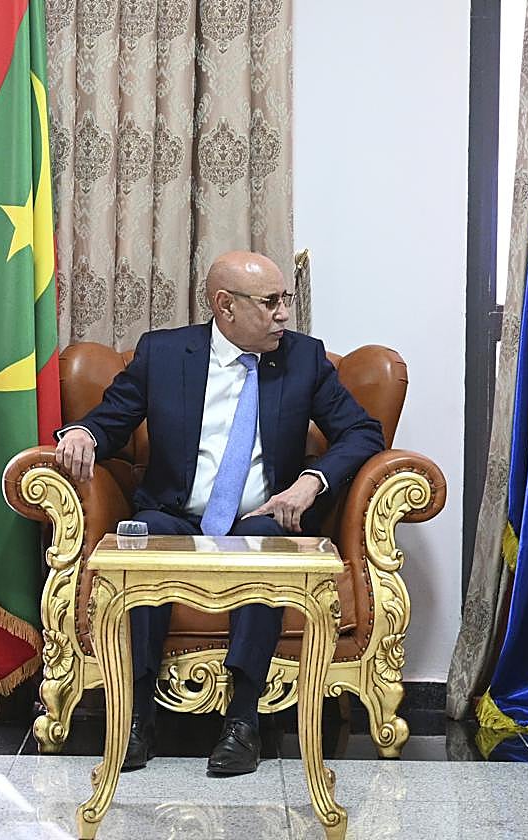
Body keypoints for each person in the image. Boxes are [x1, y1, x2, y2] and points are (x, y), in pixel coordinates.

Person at [54, 250, 384, 775]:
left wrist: (310, 481)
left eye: (286, 300)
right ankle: (135, 715)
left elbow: (363, 432)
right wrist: (82, 433)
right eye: (270, 302)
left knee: (264, 551)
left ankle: (244, 719)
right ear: (224, 306)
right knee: (144, 546)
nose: (283, 314)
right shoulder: (163, 354)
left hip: (264, 516)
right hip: (176, 516)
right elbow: (112, 418)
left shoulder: (303, 358)